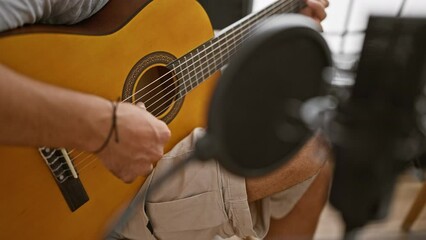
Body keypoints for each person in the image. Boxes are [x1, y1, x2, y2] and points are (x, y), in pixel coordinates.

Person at [0, 0, 331, 239]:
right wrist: (105, 129)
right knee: (306, 147)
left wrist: (272, 25)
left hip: (122, 154)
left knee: (317, 150)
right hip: (66, 169)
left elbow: (161, 36)